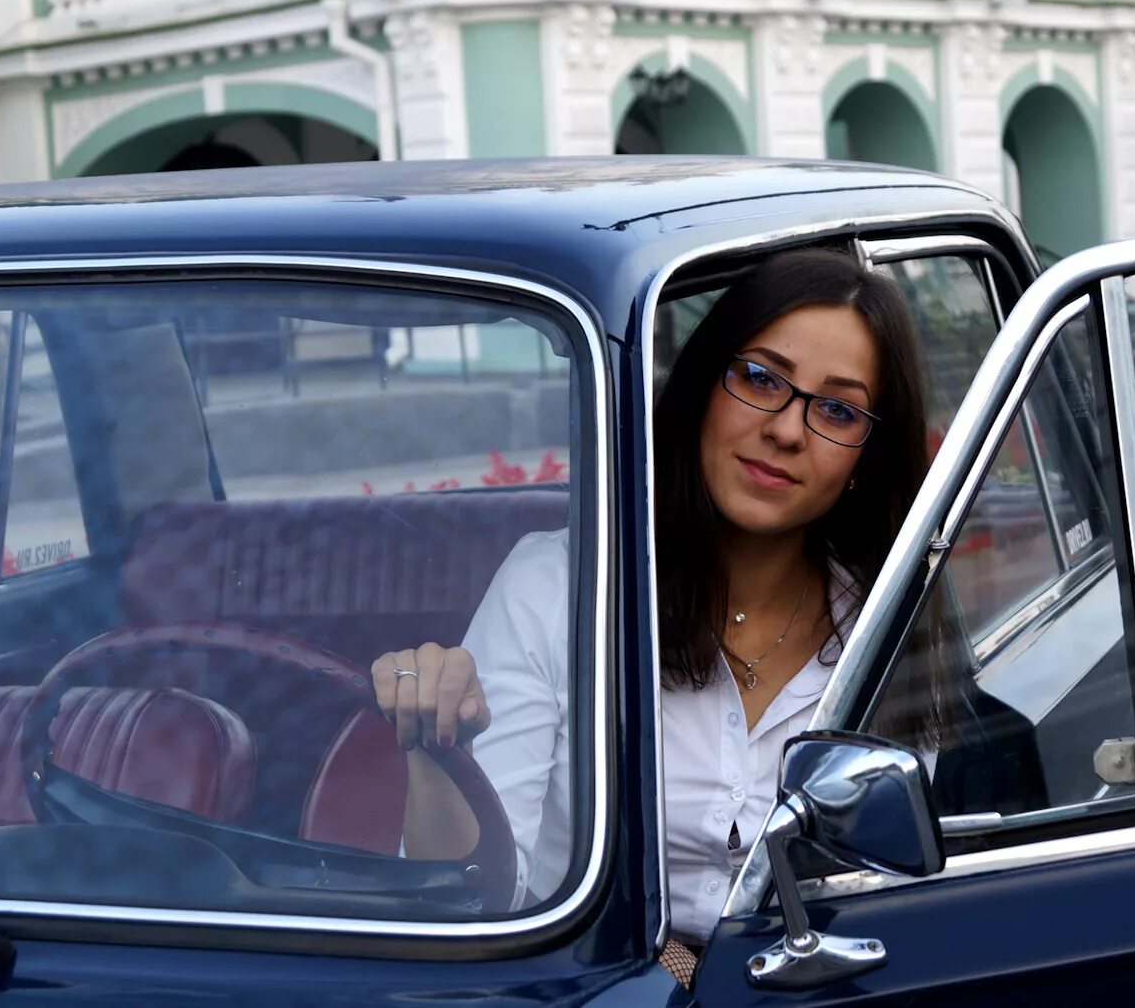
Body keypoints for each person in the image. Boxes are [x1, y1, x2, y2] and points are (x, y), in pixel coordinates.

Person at [370, 247, 956, 985]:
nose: (786, 429)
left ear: (866, 458)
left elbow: (878, 898)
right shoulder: (559, 588)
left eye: (836, 409)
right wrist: (435, 748)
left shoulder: (887, 627)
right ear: (704, 385)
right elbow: (476, 903)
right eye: (760, 378)